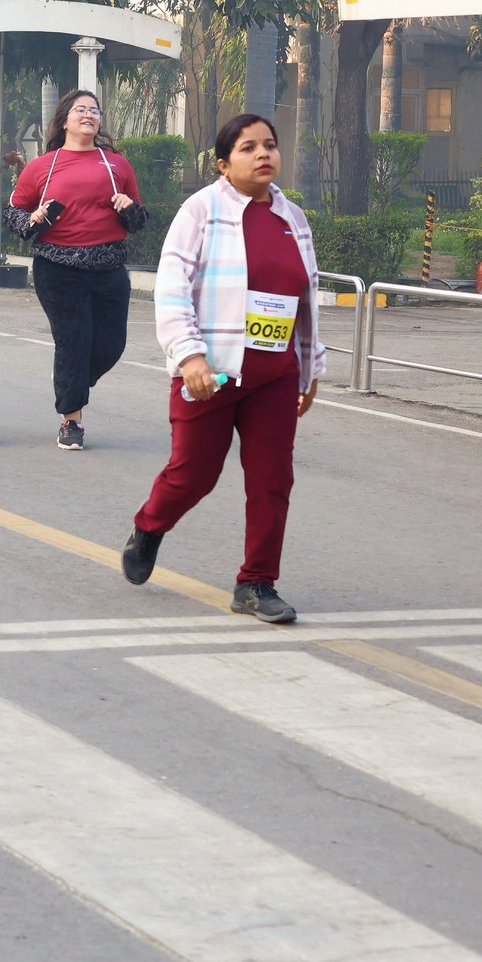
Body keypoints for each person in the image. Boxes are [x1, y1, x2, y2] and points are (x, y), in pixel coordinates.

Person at [123, 113, 326, 624]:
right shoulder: (201, 210)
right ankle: (150, 525)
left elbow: (305, 298)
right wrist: (188, 354)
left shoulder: (293, 218)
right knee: (193, 475)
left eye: (270, 145)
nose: (263, 155)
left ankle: (256, 582)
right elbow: (172, 287)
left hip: (274, 375)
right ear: (223, 163)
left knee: (272, 479)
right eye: (248, 148)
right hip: (209, 373)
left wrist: (309, 368)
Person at [6, 89, 146, 450]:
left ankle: (74, 382)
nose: (88, 115)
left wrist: (128, 207)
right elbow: (14, 213)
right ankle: (71, 421)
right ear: (65, 119)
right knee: (73, 342)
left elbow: (139, 220)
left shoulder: (117, 165)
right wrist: (34, 217)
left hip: (109, 266)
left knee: (111, 346)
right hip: (58, 268)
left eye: (94, 111)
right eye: (80, 109)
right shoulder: (43, 165)